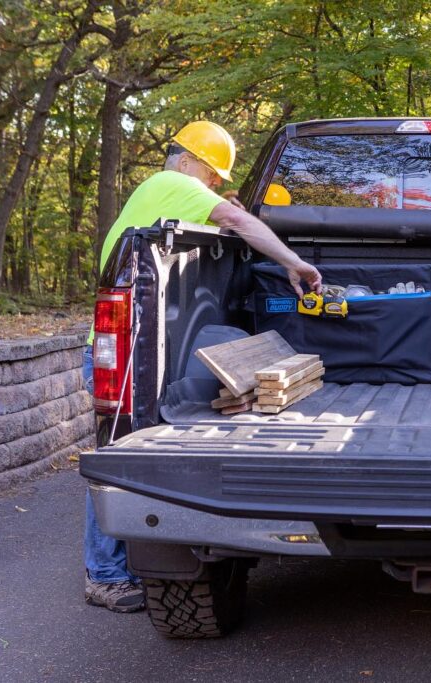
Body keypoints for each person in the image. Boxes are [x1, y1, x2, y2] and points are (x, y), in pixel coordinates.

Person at [82, 121, 321, 612]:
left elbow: (217, 226)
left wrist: (224, 208)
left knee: (121, 449)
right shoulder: (170, 184)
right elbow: (242, 226)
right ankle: (104, 575)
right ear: (188, 162)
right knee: (117, 457)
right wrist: (295, 263)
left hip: (131, 347)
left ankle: (119, 564)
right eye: (212, 177)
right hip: (127, 351)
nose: (211, 187)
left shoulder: (163, 194)